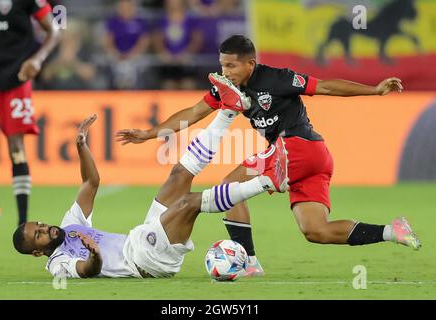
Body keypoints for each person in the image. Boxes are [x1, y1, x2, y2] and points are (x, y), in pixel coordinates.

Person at [118, 34, 422, 277]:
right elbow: (193, 112)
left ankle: (248, 261)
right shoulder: (227, 88)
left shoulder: (278, 78)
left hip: (296, 147)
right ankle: (391, 231)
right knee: (315, 230)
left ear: (251, 63)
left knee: (229, 188)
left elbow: (326, 86)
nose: (225, 73)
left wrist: (374, 90)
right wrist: (150, 133)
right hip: (314, 159)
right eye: (222, 65)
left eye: (232, 66)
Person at [11, 106, 288, 278]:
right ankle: (267, 182)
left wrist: (81, 147)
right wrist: (93, 254)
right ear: (37, 253)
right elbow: (86, 271)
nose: (46, 229)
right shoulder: (57, 263)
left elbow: (90, 183)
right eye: (39, 234)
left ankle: (228, 112)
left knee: (179, 174)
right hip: (146, 261)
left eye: (40, 224)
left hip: (142, 236)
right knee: (189, 203)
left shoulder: (71, 225)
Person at [0, 0, 60, 239]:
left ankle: (21, 225)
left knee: (16, 148)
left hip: (16, 79)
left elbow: (53, 31)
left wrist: (38, 59)